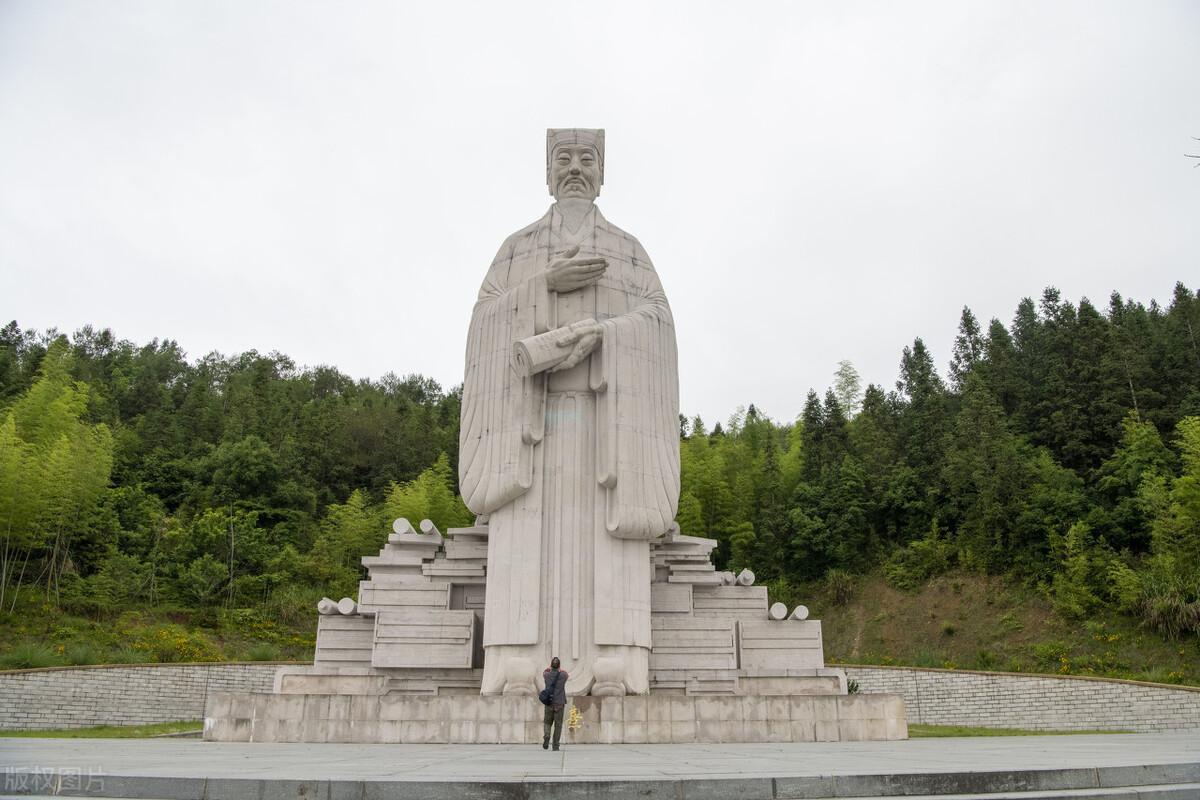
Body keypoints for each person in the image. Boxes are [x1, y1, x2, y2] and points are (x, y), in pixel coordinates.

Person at [460, 129, 680, 698]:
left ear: (602, 173)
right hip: (530, 426)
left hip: (607, 421)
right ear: (548, 172)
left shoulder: (628, 250)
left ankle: (615, 663)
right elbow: (484, 323)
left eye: (587, 158)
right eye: (564, 158)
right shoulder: (518, 249)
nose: (576, 168)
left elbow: (658, 320)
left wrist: (604, 335)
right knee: (521, 530)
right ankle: (514, 662)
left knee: (612, 533)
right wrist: (542, 285)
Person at [542, 656, 569, 750]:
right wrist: (560, 670)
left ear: (551, 665)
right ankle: (555, 745)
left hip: (549, 703)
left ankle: (547, 735)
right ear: (559, 666)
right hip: (559, 703)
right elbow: (567, 674)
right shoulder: (563, 675)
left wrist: (549, 669)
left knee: (547, 722)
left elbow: (544, 672)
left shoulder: (546, 675)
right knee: (558, 725)